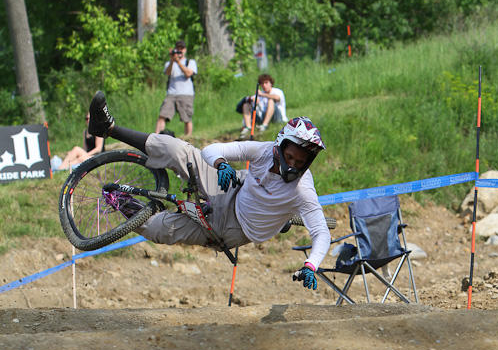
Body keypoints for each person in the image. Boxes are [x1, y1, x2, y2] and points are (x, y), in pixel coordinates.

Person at [88, 91, 329, 291]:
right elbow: (213, 150)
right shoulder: (264, 151)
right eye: (290, 157)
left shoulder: (303, 191)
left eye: (300, 162)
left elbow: (321, 233)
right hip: (231, 188)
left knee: (156, 228)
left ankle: (120, 200)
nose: (293, 166)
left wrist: (311, 264)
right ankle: (108, 128)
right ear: (279, 147)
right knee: (177, 149)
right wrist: (221, 164)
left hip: (229, 228)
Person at [155, 40, 197, 137]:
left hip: (186, 93)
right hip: (171, 93)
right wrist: (172, 60)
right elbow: (167, 73)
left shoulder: (190, 62)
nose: (179, 51)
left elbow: (188, 74)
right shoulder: (169, 63)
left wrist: (178, 62)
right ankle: (156, 136)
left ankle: (188, 137)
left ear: (185, 50)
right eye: (178, 49)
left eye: (181, 49)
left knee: (186, 118)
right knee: (163, 114)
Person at [238, 74, 287, 140]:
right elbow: (240, 106)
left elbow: (277, 98)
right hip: (263, 117)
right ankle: (248, 127)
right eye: (262, 83)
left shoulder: (277, 91)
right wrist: (251, 100)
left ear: (271, 83)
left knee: (270, 100)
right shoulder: (259, 95)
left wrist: (262, 95)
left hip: (278, 118)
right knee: (246, 105)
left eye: (266, 83)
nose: (264, 85)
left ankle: (264, 125)